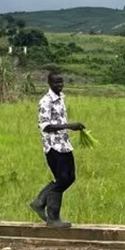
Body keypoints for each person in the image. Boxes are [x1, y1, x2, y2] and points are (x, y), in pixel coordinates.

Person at [30, 72, 84, 228]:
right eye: (56, 83)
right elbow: (45, 126)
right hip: (53, 146)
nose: (59, 85)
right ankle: (52, 217)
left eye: (61, 82)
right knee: (62, 180)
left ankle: (40, 202)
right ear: (49, 83)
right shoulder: (45, 102)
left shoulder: (61, 99)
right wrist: (70, 126)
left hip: (64, 144)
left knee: (70, 178)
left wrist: (71, 128)